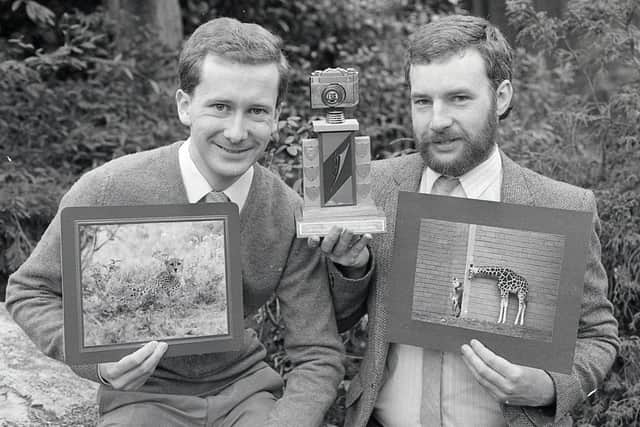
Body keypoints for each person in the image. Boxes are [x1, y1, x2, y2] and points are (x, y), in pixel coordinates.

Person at [5, 17, 370, 427]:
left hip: (246, 394)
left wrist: (287, 421)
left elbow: (317, 354)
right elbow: (30, 291)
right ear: (184, 105)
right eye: (220, 106)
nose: (236, 132)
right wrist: (100, 364)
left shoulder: (288, 212)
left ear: (276, 116)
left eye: (256, 111)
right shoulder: (109, 190)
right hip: (141, 399)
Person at [339, 15, 620, 427]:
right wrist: (352, 268)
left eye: (459, 98)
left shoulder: (562, 206)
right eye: (423, 101)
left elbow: (598, 335)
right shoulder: (373, 187)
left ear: (501, 97)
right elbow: (331, 317)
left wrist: (548, 386)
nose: (437, 120)